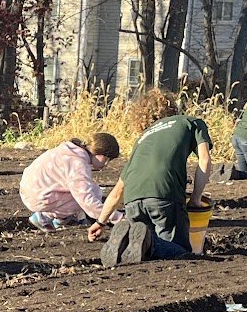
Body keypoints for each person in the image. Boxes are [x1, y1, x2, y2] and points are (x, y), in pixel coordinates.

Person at [89, 99, 214, 265]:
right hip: (164, 194)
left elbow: (117, 192)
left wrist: (100, 222)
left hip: (132, 201)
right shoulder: (192, 122)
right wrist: (196, 198)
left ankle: (127, 243)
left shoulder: (143, 138)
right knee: (180, 251)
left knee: (142, 250)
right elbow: (204, 160)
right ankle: (152, 244)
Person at [19, 133, 120, 229]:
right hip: (36, 196)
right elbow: (87, 201)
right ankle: (44, 217)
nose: (106, 164)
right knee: (84, 197)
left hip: (32, 187)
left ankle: (63, 217)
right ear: (97, 152)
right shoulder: (78, 164)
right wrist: (117, 217)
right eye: (107, 159)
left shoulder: (71, 151)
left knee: (93, 190)